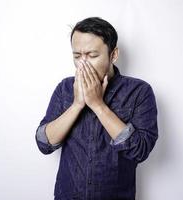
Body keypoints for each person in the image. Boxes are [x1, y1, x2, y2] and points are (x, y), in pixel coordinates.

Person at [35, 17, 159, 200]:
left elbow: (140, 151)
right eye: (77, 56)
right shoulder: (64, 89)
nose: (83, 64)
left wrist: (98, 105)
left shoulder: (139, 92)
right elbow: (44, 143)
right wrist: (77, 104)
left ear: (113, 55)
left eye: (92, 56)